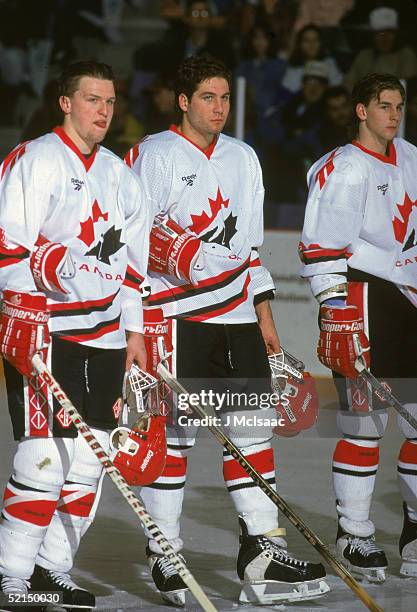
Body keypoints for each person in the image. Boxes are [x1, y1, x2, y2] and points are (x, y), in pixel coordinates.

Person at [125, 53, 328, 606]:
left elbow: (252, 250)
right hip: (180, 316)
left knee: (252, 432)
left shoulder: (244, 157)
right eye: (208, 97)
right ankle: (165, 550)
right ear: (183, 100)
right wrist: (147, 314)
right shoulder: (154, 154)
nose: (219, 108)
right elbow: (133, 237)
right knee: (180, 437)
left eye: (225, 98)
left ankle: (261, 553)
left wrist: (266, 320)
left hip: (238, 317)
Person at [0, 60, 150, 609]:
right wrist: (19, 308)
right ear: (66, 102)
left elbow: (135, 266)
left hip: (107, 338)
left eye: (110, 102)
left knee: (90, 461)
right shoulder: (36, 159)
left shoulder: (119, 173)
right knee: (42, 457)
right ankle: (10, 579)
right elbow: (8, 244)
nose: (103, 112)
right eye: (92, 100)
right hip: (50, 335)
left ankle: (50, 571)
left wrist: (135, 330)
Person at [299, 72, 417, 581]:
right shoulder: (344, 168)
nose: (394, 114)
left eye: (399, 105)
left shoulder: (413, 157)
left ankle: (414, 532)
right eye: (384, 105)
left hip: (410, 301)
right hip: (365, 299)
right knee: (364, 425)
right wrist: (334, 306)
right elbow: (321, 247)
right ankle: (355, 533)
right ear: (361, 111)